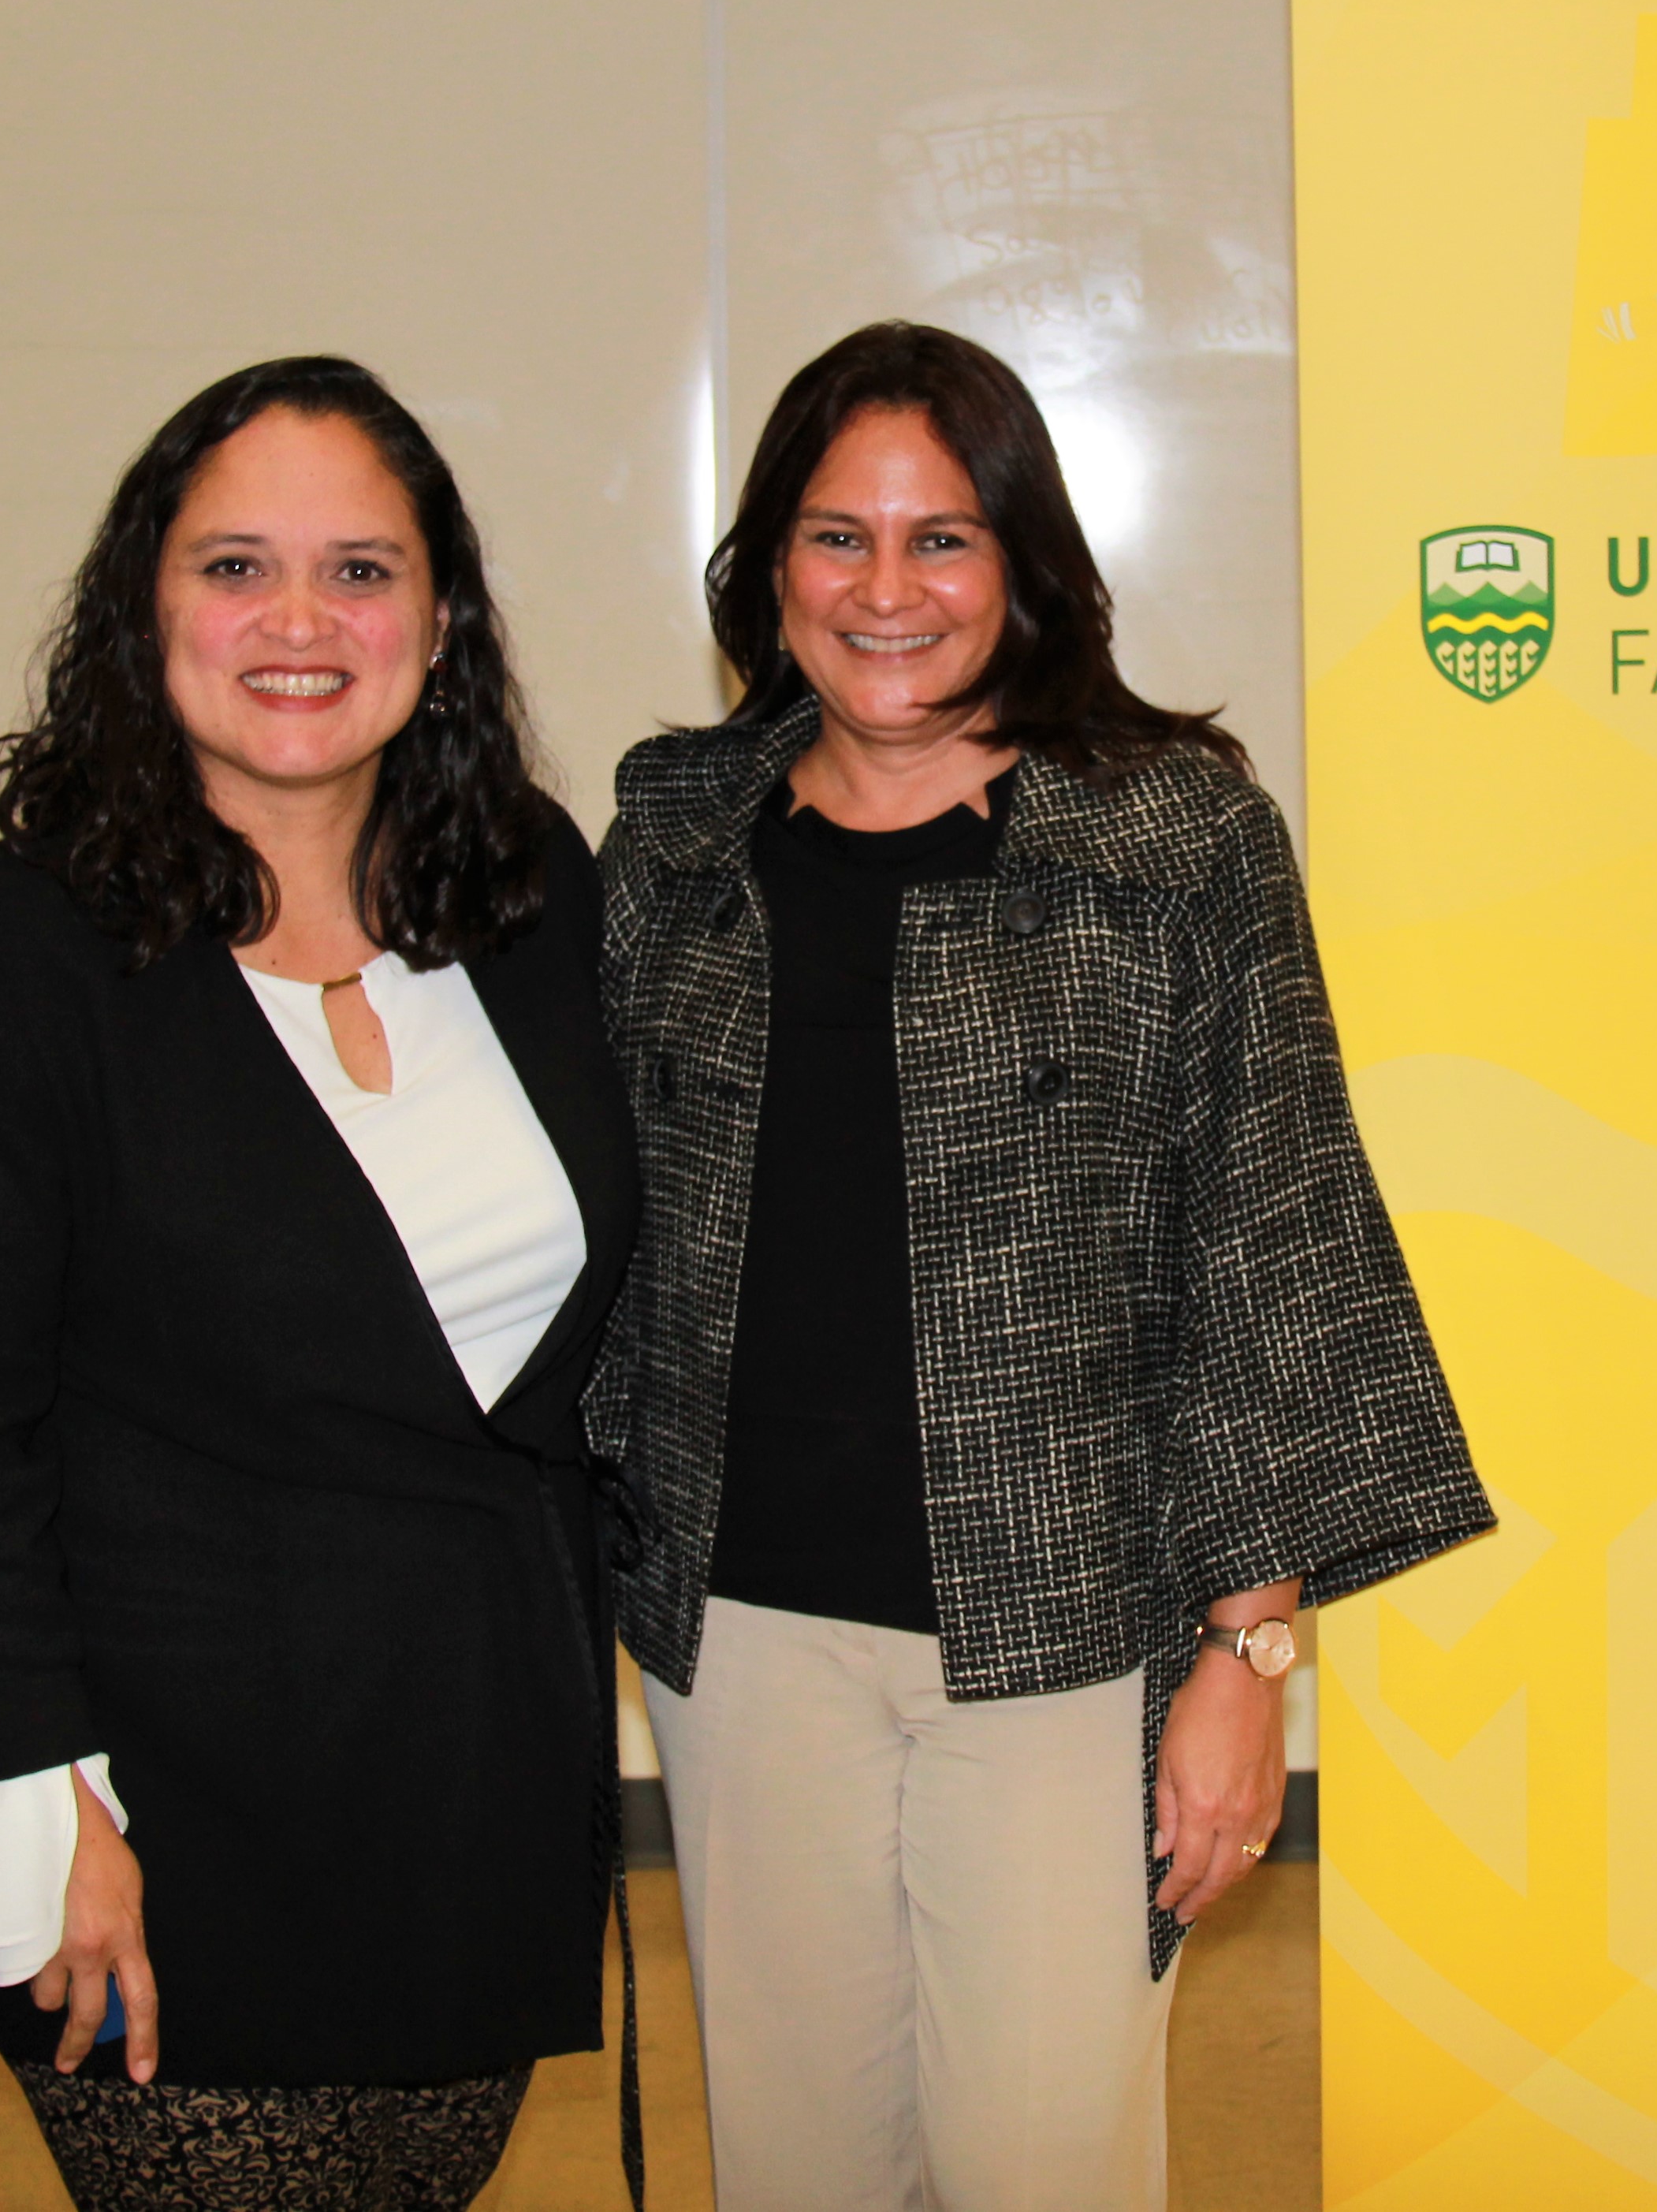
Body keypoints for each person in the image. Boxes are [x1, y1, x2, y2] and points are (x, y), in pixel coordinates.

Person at [591, 320, 1495, 2209]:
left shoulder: (1172, 838)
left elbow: (1271, 1236)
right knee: (798, 2167)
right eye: (837, 538)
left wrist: (1250, 1657)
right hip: (744, 1643)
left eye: (943, 540)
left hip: (1066, 1642)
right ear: (768, 569)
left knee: (1043, 2167)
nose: (887, 591)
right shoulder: (674, 838)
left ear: (1026, 568)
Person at [0, 356, 639, 2212]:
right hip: (167, 1825)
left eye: (362, 571)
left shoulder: (532, 893)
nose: (301, 622)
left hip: (475, 1788)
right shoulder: (7, 955)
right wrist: (36, 1791)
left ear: (440, 621)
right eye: (235, 568)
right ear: (146, 610)